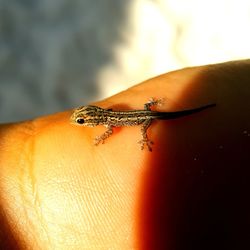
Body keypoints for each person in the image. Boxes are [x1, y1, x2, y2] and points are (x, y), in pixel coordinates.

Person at [0, 60, 249, 249]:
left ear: (93, 117)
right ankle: (169, 111)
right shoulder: (108, 113)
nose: (81, 121)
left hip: (144, 119)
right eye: (82, 118)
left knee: (146, 127)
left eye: (82, 119)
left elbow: (113, 128)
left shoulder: (108, 121)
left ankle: (153, 129)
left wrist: (106, 137)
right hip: (143, 111)